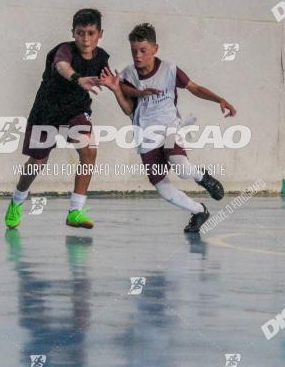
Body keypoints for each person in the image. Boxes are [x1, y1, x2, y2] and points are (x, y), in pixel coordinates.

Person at [100, 23, 236, 233]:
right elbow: (128, 109)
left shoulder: (169, 70)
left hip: (170, 127)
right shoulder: (127, 75)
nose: (138, 55)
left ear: (155, 49)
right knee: (163, 188)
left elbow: (195, 88)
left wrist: (220, 99)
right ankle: (199, 211)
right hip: (146, 135)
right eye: (134, 51)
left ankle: (204, 178)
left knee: (180, 166)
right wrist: (116, 90)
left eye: (143, 50)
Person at [4, 8, 109, 230]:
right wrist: (77, 78)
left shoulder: (102, 58)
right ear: (73, 33)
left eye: (91, 33)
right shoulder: (63, 51)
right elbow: (62, 66)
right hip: (47, 110)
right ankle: (17, 200)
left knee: (89, 150)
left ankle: (75, 211)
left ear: (100, 33)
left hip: (75, 111)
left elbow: (114, 82)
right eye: (80, 33)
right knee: (38, 162)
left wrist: (133, 93)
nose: (86, 38)